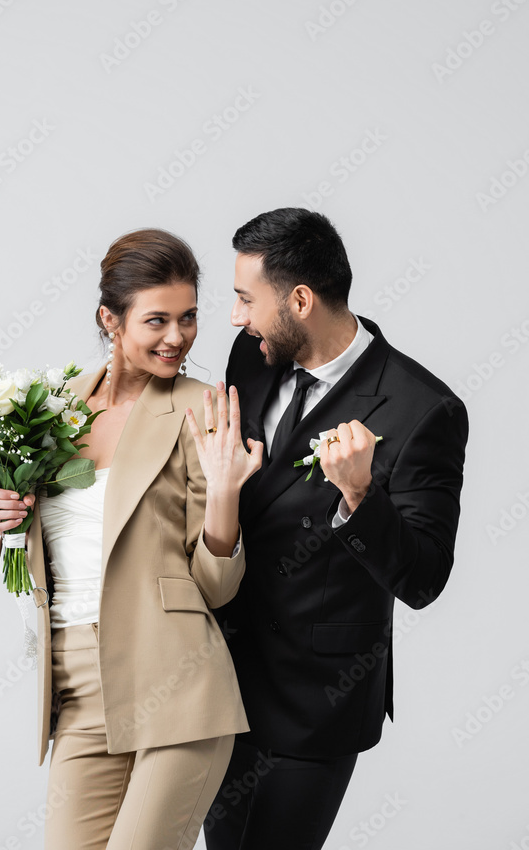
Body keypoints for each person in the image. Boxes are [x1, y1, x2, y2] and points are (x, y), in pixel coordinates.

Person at [0, 227, 263, 850]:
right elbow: (44, 555)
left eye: (188, 317)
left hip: (177, 683)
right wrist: (7, 521)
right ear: (109, 319)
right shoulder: (47, 410)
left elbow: (216, 588)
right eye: (157, 320)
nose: (177, 337)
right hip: (76, 691)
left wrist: (224, 493)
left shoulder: (202, 408)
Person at [204, 208, 469, 850]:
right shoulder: (252, 356)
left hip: (316, 701)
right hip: (219, 686)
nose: (235, 318)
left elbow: (425, 578)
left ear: (300, 301)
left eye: (246, 299)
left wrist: (359, 494)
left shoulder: (423, 408)